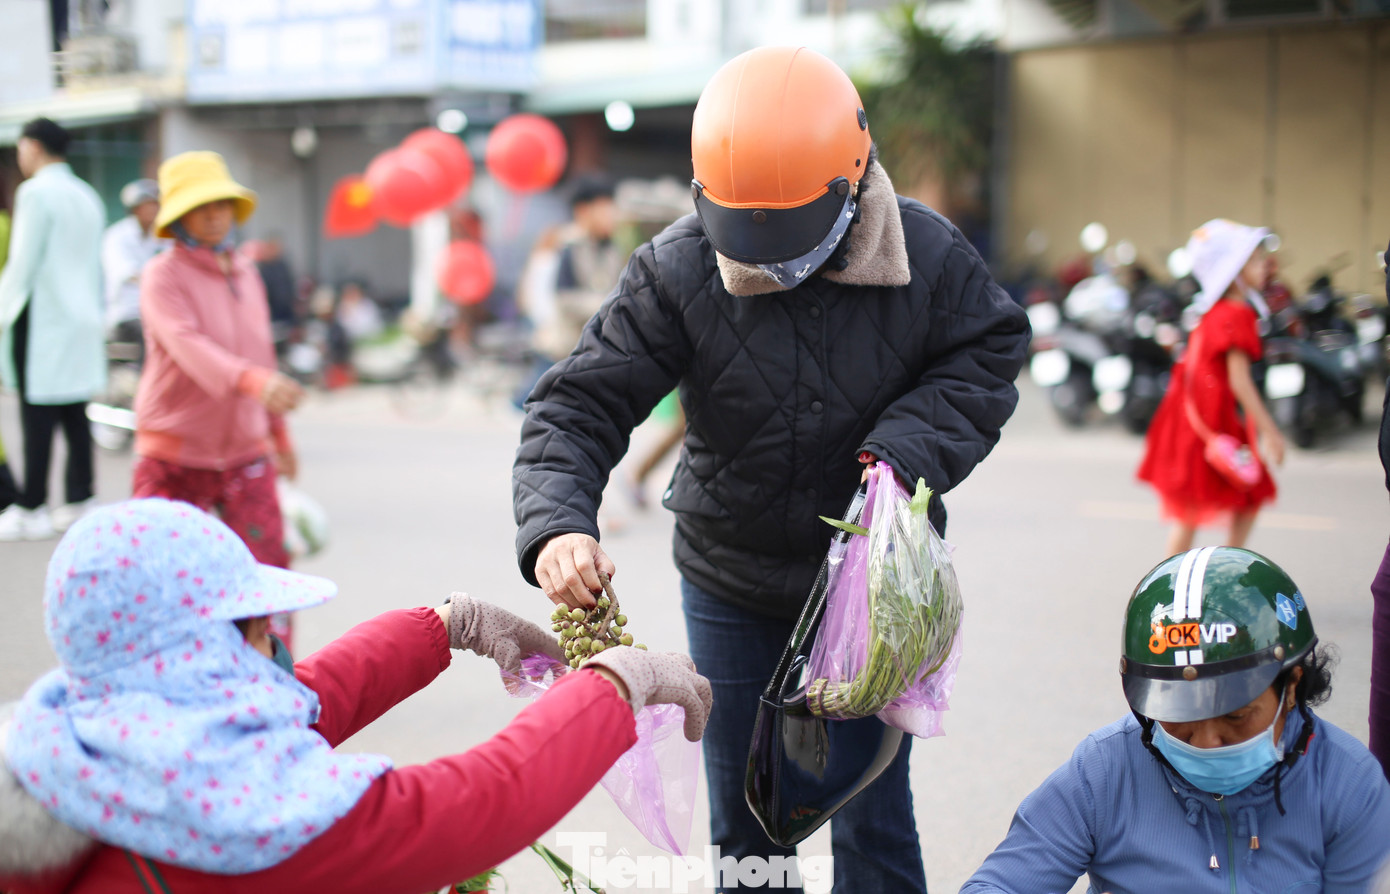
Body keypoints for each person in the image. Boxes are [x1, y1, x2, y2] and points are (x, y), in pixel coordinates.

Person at [513, 47, 1030, 893]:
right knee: (751, 825)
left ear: (852, 180)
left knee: (872, 814)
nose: (770, 264)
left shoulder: (929, 256)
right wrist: (558, 524)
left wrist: (906, 450)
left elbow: (989, 352)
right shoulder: (677, 268)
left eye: (791, 235)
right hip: (730, 580)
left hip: (873, 588)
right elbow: (577, 404)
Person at [0, 498, 712, 893]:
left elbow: (297, 704)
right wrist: (617, 682)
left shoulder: (89, 744)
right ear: (198, 656)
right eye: (252, 631)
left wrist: (445, 625)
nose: (272, 647)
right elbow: (481, 803)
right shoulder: (257, 818)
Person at [962, 546, 1390, 892]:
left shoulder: (1348, 784)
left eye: (1236, 715)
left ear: (1292, 686)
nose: (1205, 741)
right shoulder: (1105, 770)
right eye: (1178, 717)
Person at [130, 150, 304, 646]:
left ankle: (274, 683)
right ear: (178, 216)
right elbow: (187, 345)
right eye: (200, 205)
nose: (213, 214)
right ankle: (168, 681)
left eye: (221, 203)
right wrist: (253, 381)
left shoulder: (246, 271)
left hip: (246, 453)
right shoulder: (161, 275)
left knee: (268, 575)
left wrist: (279, 434)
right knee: (159, 579)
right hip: (172, 452)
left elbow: (260, 353)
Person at [1138, 219, 1286, 557]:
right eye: (1256, 260)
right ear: (1234, 270)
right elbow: (1240, 381)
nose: (1266, 266)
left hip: (1193, 422)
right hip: (1211, 421)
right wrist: (1271, 432)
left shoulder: (1213, 309)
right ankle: (1220, 573)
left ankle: (1180, 585)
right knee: (1247, 496)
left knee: (1194, 511)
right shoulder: (1236, 312)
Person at [0, 117, 106, 541]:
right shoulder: (87, 194)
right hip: (82, 319)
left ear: (33, 146)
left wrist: (2, 310)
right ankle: (80, 497)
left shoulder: (35, 193)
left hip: (44, 318)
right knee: (75, 414)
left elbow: (22, 263)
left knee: (37, 415)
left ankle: (33, 505)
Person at [101, 178, 163, 346]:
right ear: (134, 209)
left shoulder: (162, 237)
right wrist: (162, 282)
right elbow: (126, 273)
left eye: (156, 204)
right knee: (152, 334)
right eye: (148, 205)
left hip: (158, 310)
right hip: (128, 312)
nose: (154, 209)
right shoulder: (116, 236)